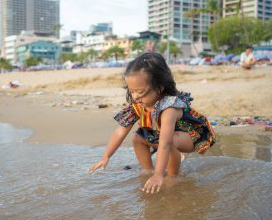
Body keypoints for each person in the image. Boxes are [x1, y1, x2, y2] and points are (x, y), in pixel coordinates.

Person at [89, 52, 216, 194]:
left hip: (191, 135)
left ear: (159, 88)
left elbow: (165, 143)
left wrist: (159, 174)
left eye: (140, 91)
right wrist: (106, 156)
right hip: (163, 134)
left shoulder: (169, 108)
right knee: (138, 139)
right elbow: (120, 131)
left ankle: (173, 177)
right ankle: (147, 170)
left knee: (171, 141)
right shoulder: (137, 104)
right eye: (131, 91)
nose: (135, 97)